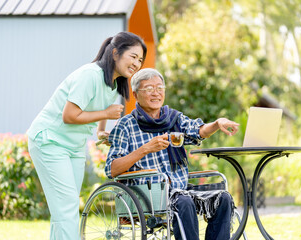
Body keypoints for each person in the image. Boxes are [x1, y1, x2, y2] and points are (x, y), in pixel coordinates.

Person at [27, 31, 147, 240]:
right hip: (49, 141)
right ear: (116, 53)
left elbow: (103, 106)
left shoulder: (113, 83)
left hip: (73, 146)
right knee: (67, 207)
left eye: (140, 60)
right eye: (133, 57)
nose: (137, 64)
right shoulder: (90, 75)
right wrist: (106, 114)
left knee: (65, 208)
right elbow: (69, 115)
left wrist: (101, 130)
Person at [105, 68, 240, 240]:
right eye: (148, 89)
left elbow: (197, 131)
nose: (156, 93)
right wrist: (145, 149)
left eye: (160, 88)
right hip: (148, 196)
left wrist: (216, 123)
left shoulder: (173, 119)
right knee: (183, 201)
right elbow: (112, 169)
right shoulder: (126, 126)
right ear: (136, 94)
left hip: (180, 190)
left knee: (223, 198)